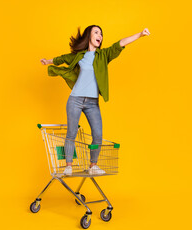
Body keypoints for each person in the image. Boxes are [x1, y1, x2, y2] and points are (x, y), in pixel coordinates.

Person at [41, 25, 150, 175]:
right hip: (75, 99)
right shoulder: (79, 55)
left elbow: (120, 44)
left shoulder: (104, 55)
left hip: (92, 103)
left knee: (98, 135)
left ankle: (93, 166)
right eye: (96, 32)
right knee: (71, 133)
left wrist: (140, 34)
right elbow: (62, 58)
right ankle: (68, 166)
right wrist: (48, 61)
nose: (100, 36)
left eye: (101, 34)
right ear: (89, 36)